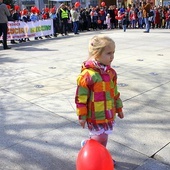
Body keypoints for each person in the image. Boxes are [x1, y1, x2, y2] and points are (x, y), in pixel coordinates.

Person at [75, 35, 124, 164]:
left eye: (113, 53)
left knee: (104, 138)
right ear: (96, 54)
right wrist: (82, 115)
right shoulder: (88, 75)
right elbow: (81, 98)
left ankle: (102, 157)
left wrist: (119, 108)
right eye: (109, 53)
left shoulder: (111, 73)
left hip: (108, 114)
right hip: (94, 116)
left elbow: (115, 92)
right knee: (99, 137)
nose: (112, 56)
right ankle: (91, 153)